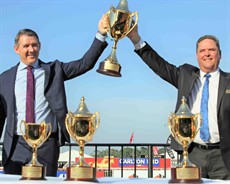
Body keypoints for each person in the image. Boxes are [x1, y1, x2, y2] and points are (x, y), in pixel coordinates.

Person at [0, 14, 109, 176]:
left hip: (47, 144)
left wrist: (101, 34)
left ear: (40, 46)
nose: (31, 50)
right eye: (26, 46)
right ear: (16, 49)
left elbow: (84, 64)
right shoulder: (5, 78)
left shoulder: (54, 70)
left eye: (35, 45)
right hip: (16, 145)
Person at [127, 25, 230, 179]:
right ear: (196, 55)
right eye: (202, 51)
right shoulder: (185, 76)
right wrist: (136, 38)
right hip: (193, 153)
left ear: (220, 55)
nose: (207, 54)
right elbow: (159, 65)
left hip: (224, 157)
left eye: (211, 50)